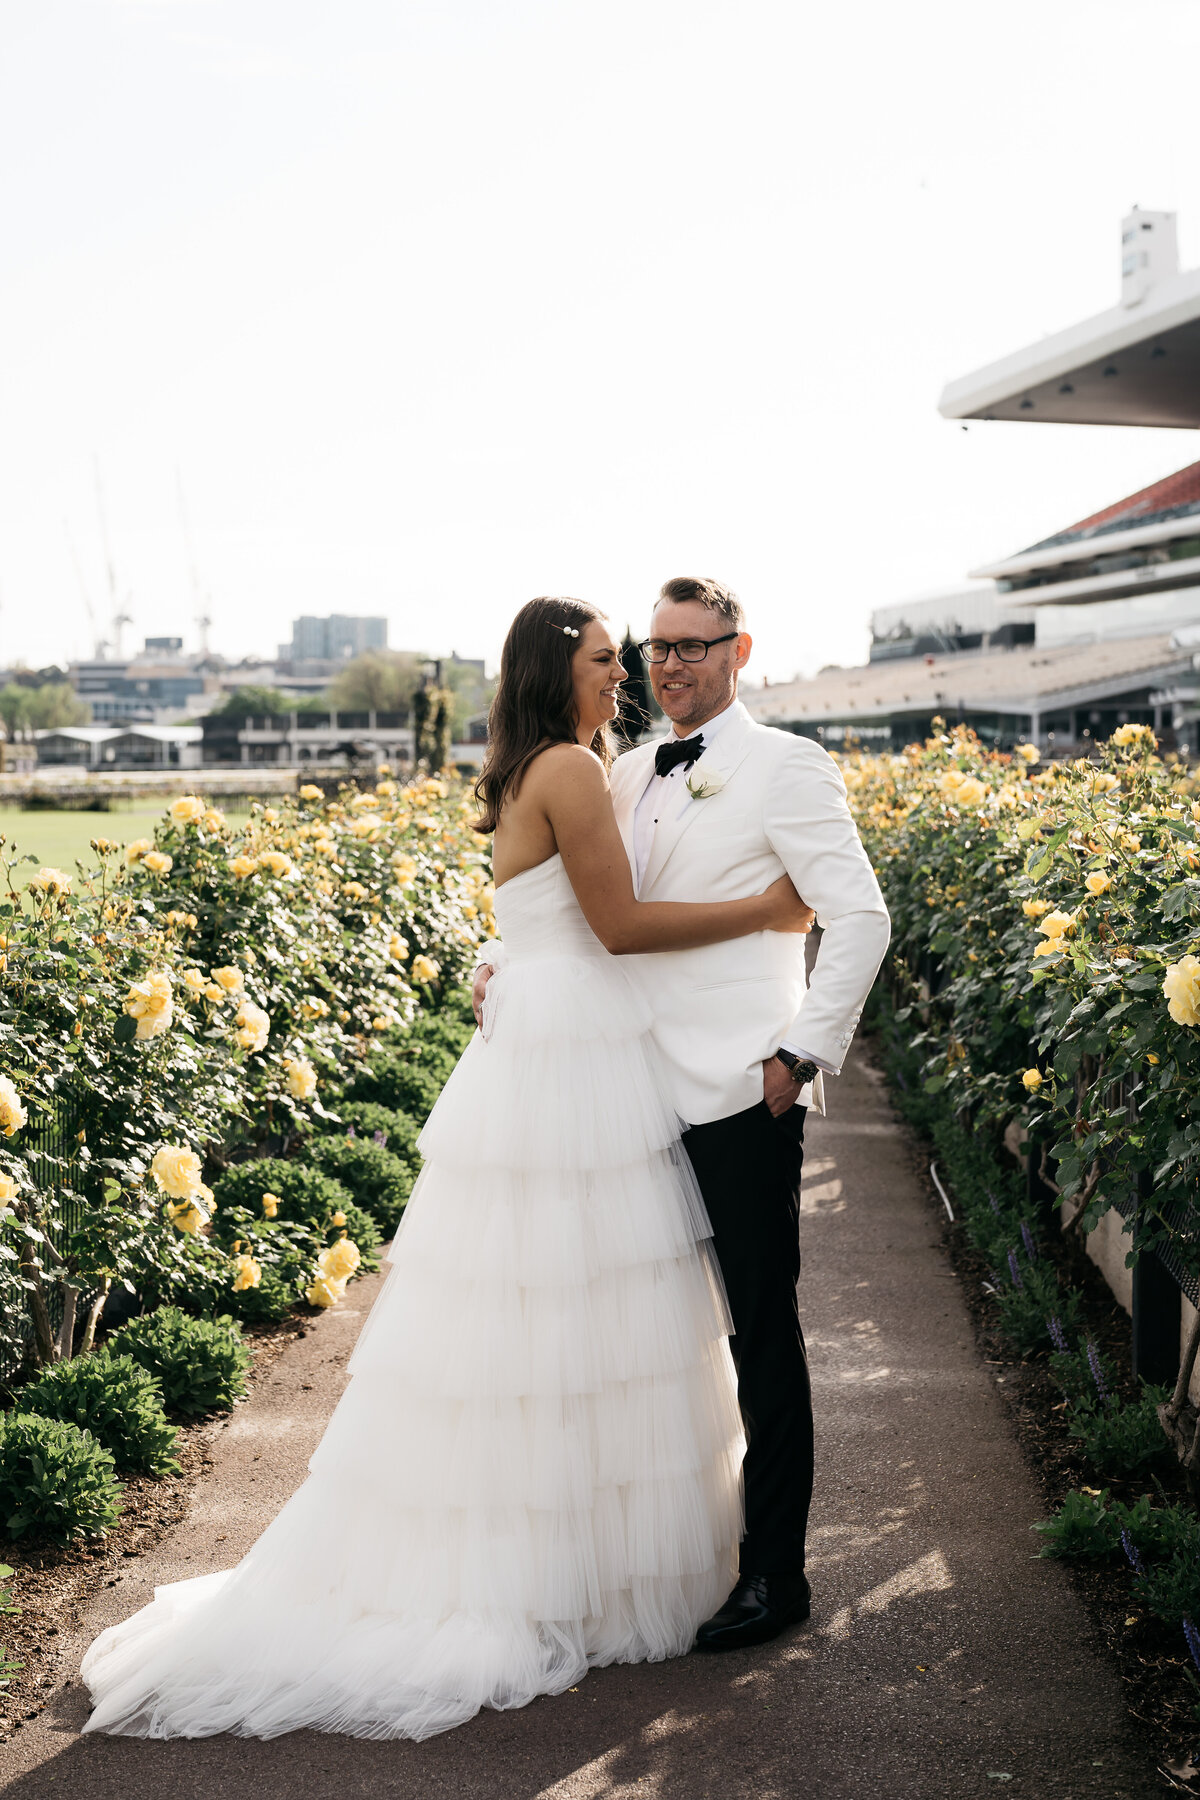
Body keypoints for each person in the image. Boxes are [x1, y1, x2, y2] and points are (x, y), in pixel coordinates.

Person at [79, 593, 813, 1742]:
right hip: (574, 1054)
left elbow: (541, 918)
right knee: (585, 1311)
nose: (625, 673)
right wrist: (769, 908)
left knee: (547, 1322)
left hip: (549, 1039)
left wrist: (496, 960)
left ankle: (546, 1558)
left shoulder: (554, 763)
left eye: (635, 655)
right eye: (609, 658)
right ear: (555, 670)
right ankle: (562, 1572)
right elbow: (613, 927)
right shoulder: (573, 769)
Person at [478, 574, 891, 1651]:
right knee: (636, 1341)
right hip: (619, 1095)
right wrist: (496, 962)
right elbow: (571, 906)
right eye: (655, 648)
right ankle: (637, 1556)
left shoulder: (789, 768)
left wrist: (802, 1052)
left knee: (762, 1330)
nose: (668, 667)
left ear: (738, 652)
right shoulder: (614, 771)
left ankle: (774, 1575)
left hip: (736, 1089)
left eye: (692, 648)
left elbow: (859, 918)